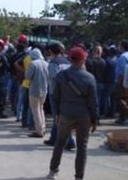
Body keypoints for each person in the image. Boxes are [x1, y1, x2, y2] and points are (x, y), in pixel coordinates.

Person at [47, 47, 98, 180]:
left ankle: (53, 171)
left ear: (70, 59)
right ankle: (79, 177)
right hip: (84, 116)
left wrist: (57, 114)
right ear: (83, 60)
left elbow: (55, 98)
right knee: (82, 146)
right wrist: (95, 119)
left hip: (65, 114)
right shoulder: (90, 78)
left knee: (60, 142)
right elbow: (93, 102)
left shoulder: (61, 76)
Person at [44, 43, 75, 149]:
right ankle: (53, 138)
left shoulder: (53, 63)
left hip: (56, 93)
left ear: (51, 51)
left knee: (58, 117)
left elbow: (54, 77)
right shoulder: (67, 62)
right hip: (68, 92)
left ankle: (69, 140)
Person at [25, 48, 49, 138]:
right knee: (41, 109)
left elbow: (27, 76)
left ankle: (39, 131)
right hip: (44, 90)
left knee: (36, 111)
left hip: (34, 90)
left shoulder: (33, 64)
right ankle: (43, 128)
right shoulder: (46, 63)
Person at [86, 45, 107, 121]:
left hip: (92, 83)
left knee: (92, 101)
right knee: (99, 100)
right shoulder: (103, 61)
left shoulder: (90, 61)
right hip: (101, 83)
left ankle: (92, 117)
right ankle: (97, 117)